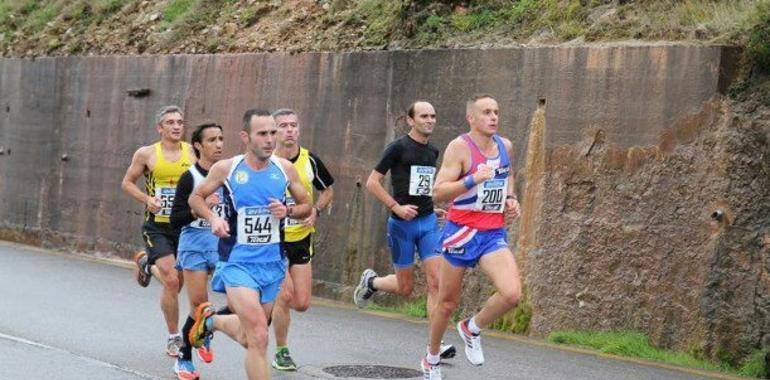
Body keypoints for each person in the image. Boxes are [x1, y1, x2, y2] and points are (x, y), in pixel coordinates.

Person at [188, 109, 312, 380]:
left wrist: (288, 211)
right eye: (263, 133)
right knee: (259, 335)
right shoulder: (228, 169)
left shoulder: (284, 168)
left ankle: (212, 321)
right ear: (246, 137)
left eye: (272, 133)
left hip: (272, 265)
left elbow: (306, 205)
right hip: (237, 264)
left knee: (249, 338)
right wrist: (212, 218)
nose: (270, 139)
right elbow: (195, 198)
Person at [421, 94, 522, 380]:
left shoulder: (505, 146)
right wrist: (473, 179)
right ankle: (431, 357)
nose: (493, 117)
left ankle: (471, 328)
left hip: (492, 232)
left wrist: (511, 198)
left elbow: (507, 175)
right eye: (487, 112)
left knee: (512, 294)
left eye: (496, 112)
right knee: (447, 302)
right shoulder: (459, 148)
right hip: (462, 232)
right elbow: (439, 192)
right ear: (472, 118)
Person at [352, 101, 455, 360]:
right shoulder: (397, 148)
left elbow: (422, 186)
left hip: (428, 222)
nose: (430, 120)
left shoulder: (433, 151)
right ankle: (372, 282)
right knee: (405, 287)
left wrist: (432, 207)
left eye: (433, 116)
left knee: (436, 283)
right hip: (401, 226)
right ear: (410, 120)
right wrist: (396, 207)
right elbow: (372, 183)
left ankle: (435, 344)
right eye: (423, 116)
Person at [121, 105, 195, 357]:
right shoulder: (147, 154)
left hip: (185, 227)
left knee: (176, 284)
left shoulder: (192, 152)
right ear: (160, 127)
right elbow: (127, 183)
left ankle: (145, 263)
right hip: (157, 227)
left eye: (180, 122)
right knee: (172, 280)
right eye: (170, 122)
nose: (176, 126)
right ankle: (174, 338)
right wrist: (147, 199)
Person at [270, 109, 335, 371]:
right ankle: (281, 351)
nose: (289, 130)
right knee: (284, 296)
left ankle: (267, 306)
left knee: (302, 303)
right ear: (274, 131)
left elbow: (328, 189)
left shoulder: (310, 161)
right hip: (272, 239)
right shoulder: (266, 162)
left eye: (293, 125)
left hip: (301, 237)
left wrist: (316, 211)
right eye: (283, 125)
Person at [169, 123, 225, 379]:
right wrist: (199, 208)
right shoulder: (190, 177)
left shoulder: (229, 173)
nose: (219, 144)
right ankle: (184, 359)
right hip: (194, 243)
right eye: (212, 140)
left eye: (221, 139)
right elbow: (175, 219)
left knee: (238, 301)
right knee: (200, 307)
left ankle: (203, 330)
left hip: (222, 241)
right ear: (198, 146)